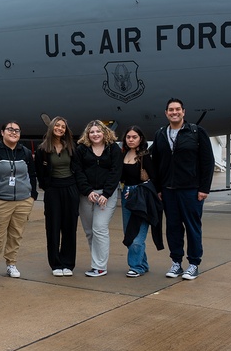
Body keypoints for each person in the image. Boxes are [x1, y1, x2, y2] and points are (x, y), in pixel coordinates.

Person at [150, 98, 215, 281]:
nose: (174, 112)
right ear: (166, 113)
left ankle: (193, 263)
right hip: (168, 190)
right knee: (173, 228)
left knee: (193, 227)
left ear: (183, 112)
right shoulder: (161, 134)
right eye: (171, 110)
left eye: (177, 109)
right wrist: (158, 188)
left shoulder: (196, 132)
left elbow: (207, 161)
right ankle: (176, 262)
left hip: (191, 190)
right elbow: (156, 163)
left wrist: (204, 189)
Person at [0, 121, 38, 279]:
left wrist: (32, 195)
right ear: (2, 132)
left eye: (17, 130)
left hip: (23, 201)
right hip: (1, 201)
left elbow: (32, 175)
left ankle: (11, 264)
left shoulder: (25, 152)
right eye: (10, 130)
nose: (13, 133)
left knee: (16, 234)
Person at [74, 120, 123, 277]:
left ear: (105, 133)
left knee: (99, 228)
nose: (95, 134)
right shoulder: (81, 149)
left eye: (98, 131)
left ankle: (100, 266)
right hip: (87, 194)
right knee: (89, 231)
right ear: (87, 134)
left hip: (106, 195)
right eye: (92, 132)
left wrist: (106, 194)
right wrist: (88, 191)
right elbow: (78, 171)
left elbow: (116, 172)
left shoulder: (113, 148)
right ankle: (95, 263)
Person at [34, 116, 79, 276]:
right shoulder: (42, 149)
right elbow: (39, 172)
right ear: (52, 127)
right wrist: (48, 186)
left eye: (63, 127)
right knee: (53, 227)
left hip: (70, 188)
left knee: (69, 227)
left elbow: (77, 168)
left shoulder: (71, 147)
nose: (60, 129)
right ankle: (55, 264)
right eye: (57, 126)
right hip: (53, 189)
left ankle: (67, 263)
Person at [119, 125, 154, 277]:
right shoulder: (123, 154)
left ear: (140, 139)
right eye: (128, 137)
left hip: (141, 197)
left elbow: (153, 178)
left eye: (134, 137)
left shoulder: (144, 156)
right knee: (129, 232)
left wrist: (137, 191)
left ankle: (136, 267)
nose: (131, 139)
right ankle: (142, 264)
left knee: (137, 236)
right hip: (126, 194)